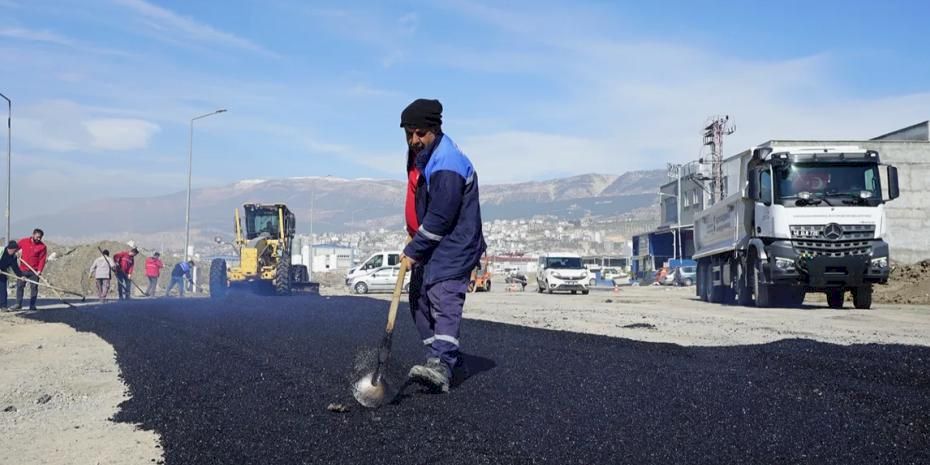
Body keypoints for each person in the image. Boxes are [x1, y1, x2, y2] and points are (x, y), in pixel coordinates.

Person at [399, 99, 486, 392]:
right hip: (433, 242)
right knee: (418, 300)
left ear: (434, 129)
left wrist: (414, 249)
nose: (414, 140)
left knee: (443, 296)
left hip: (455, 243)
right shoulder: (423, 154)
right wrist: (414, 235)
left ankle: (441, 364)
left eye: (420, 133)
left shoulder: (448, 161)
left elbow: (441, 216)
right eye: (409, 134)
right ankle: (446, 359)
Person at [14, 228, 47, 311]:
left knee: (34, 288)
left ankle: (32, 305)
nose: (38, 239)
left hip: (34, 271)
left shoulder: (42, 247)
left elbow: (42, 260)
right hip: (23, 269)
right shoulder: (24, 241)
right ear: (33, 234)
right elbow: (15, 248)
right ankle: (18, 304)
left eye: (40, 237)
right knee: (20, 286)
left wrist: (39, 270)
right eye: (37, 237)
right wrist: (16, 252)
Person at [0, 241, 22, 311]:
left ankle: (3, 306)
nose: (16, 252)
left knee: (3, 290)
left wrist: (21, 276)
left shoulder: (13, 256)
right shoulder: (1, 250)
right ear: (11, 249)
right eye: (15, 250)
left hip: (2, 272)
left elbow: (15, 267)